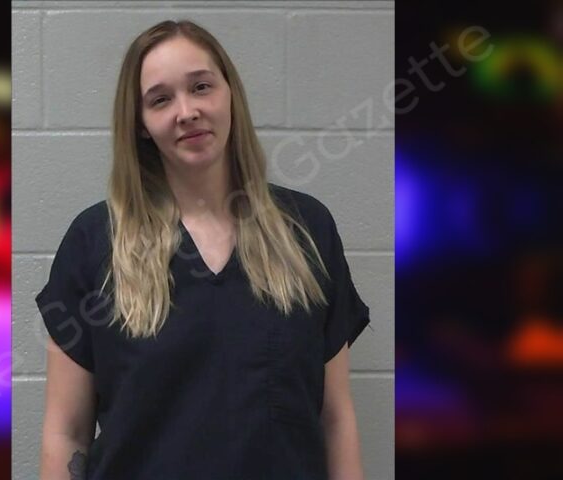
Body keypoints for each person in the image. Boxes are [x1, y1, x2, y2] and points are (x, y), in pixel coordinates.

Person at [36, 19, 371, 480]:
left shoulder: (307, 230)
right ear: (140, 125)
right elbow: (66, 433)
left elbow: (335, 420)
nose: (187, 111)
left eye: (201, 87)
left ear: (230, 94)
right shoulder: (94, 243)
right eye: (160, 99)